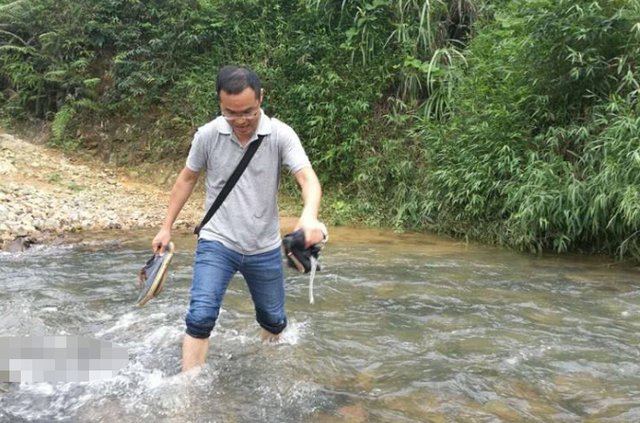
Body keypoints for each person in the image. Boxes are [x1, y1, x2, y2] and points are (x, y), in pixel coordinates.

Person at [151, 65, 324, 371]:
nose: (241, 121)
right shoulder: (207, 135)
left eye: (249, 111)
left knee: (274, 321)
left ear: (261, 98)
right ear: (220, 105)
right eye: (231, 113)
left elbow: (307, 179)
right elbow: (187, 179)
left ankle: (270, 373)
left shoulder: (280, 135)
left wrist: (309, 216)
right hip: (218, 240)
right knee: (201, 316)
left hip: (264, 246)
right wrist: (165, 228)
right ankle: (189, 395)